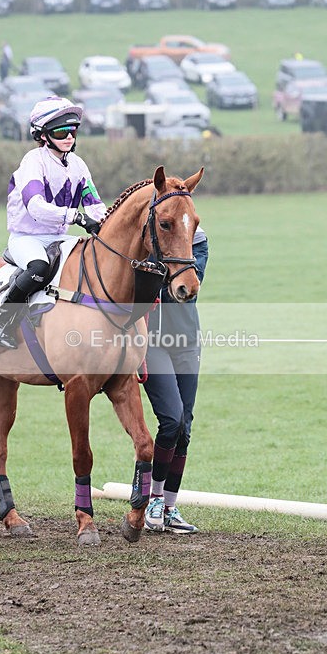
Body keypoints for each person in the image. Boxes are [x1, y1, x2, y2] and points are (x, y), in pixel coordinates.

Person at [0, 96, 106, 350]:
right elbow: (35, 206)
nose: (69, 137)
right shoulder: (33, 161)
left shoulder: (78, 165)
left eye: (72, 130)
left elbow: (93, 202)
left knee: (95, 259)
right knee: (39, 267)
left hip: (59, 238)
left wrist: (107, 222)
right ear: (43, 135)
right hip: (26, 238)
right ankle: (0, 320)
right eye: (61, 131)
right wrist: (76, 217)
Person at [143, 227, 208, 534]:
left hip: (187, 342)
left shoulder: (198, 246)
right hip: (152, 344)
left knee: (185, 427)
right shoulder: (146, 242)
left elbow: (183, 289)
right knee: (172, 419)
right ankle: (153, 500)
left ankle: (170, 507)